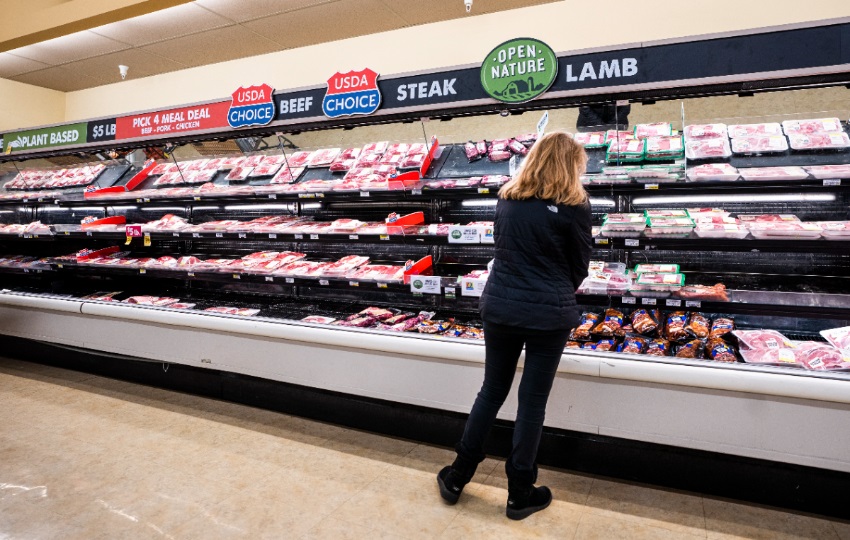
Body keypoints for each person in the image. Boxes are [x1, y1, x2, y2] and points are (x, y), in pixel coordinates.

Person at [437, 131, 592, 520]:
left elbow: (504, 250)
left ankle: (458, 475)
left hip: (501, 307)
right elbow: (580, 266)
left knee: (491, 391)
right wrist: (555, 290)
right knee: (531, 403)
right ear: (571, 165)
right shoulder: (574, 205)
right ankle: (520, 493)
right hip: (547, 316)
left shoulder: (507, 198)